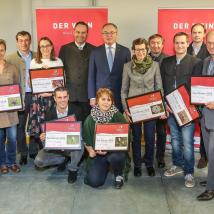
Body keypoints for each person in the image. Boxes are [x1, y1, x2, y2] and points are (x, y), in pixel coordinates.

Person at [161, 32, 201, 188]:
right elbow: (163, 85)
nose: (179, 45)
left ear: (187, 43)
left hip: (187, 111)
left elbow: (196, 87)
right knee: (175, 140)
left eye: (183, 43)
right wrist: (165, 104)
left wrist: (191, 107)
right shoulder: (166, 62)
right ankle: (177, 165)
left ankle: (189, 172)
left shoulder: (195, 62)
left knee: (187, 142)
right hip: (171, 109)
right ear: (173, 44)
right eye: (177, 43)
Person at [121, 38, 163, 177]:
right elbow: (124, 90)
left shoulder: (155, 65)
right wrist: (126, 108)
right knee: (137, 137)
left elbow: (159, 87)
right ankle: (137, 164)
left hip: (151, 107)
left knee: (150, 137)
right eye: (138, 49)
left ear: (147, 50)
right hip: (134, 108)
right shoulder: (127, 66)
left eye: (143, 49)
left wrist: (160, 107)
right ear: (134, 50)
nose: (140, 52)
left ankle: (149, 163)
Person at [34, 87, 84, 184]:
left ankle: (73, 169)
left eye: (65, 97)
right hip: (56, 148)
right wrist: (43, 137)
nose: (62, 100)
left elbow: (82, 132)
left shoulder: (77, 110)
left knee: (81, 143)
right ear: (55, 99)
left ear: (68, 97)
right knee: (38, 161)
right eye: (59, 97)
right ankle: (62, 160)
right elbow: (47, 137)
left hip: (71, 145)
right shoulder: (49, 113)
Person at [83, 88, 129, 189]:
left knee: (116, 157)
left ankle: (118, 174)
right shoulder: (89, 120)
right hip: (98, 155)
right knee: (94, 182)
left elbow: (127, 137)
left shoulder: (118, 116)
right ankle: (103, 168)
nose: (106, 102)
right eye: (103, 99)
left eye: (109, 100)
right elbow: (86, 140)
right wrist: (91, 150)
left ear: (112, 102)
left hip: (115, 152)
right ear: (97, 100)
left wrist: (116, 146)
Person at [6, 31, 36, 165]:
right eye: (21, 40)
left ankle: (33, 151)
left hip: (35, 96)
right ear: (17, 42)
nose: (24, 43)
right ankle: (23, 153)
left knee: (35, 124)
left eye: (26, 40)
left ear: (30, 41)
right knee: (20, 127)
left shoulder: (37, 55)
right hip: (19, 97)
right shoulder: (10, 58)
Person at [27, 37, 63, 150]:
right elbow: (30, 81)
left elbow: (61, 83)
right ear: (39, 48)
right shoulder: (34, 62)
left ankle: (55, 150)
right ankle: (43, 150)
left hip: (53, 99)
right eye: (42, 46)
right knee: (39, 125)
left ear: (51, 46)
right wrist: (41, 71)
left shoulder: (58, 61)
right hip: (38, 99)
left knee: (52, 124)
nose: (45, 48)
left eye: (47, 45)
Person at [88, 23, 131, 112]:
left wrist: (128, 96)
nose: (109, 35)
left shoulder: (125, 51)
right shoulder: (95, 52)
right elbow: (91, 75)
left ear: (116, 34)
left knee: (118, 123)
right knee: (102, 124)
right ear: (102, 35)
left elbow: (129, 75)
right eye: (106, 33)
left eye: (112, 32)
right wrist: (92, 97)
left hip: (120, 95)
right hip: (101, 97)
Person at [59, 21, 95, 122]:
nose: (80, 35)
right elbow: (59, 73)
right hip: (69, 96)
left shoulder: (94, 50)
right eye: (78, 32)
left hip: (87, 97)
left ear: (87, 34)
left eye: (83, 32)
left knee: (86, 124)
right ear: (73, 32)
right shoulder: (65, 49)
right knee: (70, 126)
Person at [187, 23, 209, 169]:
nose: (196, 35)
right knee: (187, 126)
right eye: (194, 32)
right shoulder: (184, 47)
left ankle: (204, 156)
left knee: (204, 127)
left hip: (203, 95)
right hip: (187, 93)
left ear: (204, 34)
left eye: (199, 32)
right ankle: (185, 156)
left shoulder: (209, 50)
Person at [197, 31, 214, 201]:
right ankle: (212, 180)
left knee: (213, 153)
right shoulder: (206, 61)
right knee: (210, 154)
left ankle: (211, 189)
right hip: (205, 115)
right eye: (208, 42)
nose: (211, 46)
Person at [0, 39, 21, 173]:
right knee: (0, 139)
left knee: (12, 138)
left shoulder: (12, 67)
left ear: (5, 51)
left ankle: (11, 161)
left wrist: (19, 104)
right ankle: (2, 163)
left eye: (1, 50)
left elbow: (17, 87)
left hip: (11, 109)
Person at [148, 34, 168, 168]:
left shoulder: (168, 60)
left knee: (161, 131)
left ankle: (160, 157)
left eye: (158, 43)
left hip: (162, 100)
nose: (155, 45)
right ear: (149, 45)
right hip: (146, 101)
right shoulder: (143, 58)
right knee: (148, 132)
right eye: (153, 43)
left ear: (163, 44)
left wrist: (165, 102)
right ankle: (147, 156)